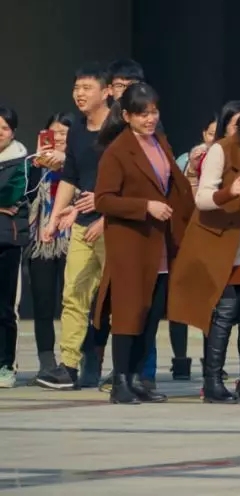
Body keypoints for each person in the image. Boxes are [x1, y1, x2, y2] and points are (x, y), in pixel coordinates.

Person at [170, 107, 240, 403]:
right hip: (219, 243)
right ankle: (212, 381)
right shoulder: (222, 151)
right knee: (224, 313)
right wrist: (229, 192)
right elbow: (203, 198)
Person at [92, 82, 194, 403]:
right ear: (126, 116)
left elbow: (174, 188)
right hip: (131, 244)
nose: (150, 119)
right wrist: (144, 206)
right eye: (142, 114)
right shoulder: (118, 151)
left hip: (160, 243)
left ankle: (138, 378)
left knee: (150, 315)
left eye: (153, 112)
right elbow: (103, 200)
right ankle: (120, 381)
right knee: (127, 313)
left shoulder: (159, 142)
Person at [36, 64, 112, 390]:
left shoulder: (121, 129)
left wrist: (107, 214)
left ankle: (124, 368)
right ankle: (68, 366)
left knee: (117, 299)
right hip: (80, 224)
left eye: (87, 87)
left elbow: (135, 181)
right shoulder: (78, 130)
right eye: (76, 87)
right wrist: (54, 219)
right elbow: (70, 175)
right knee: (73, 295)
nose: (80, 94)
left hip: (115, 225)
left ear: (107, 91)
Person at [26, 113, 74, 384]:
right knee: (43, 304)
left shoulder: (78, 164)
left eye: (65, 134)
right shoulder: (34, 165)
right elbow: (27, 195)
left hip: (73, 239)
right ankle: (47, 364)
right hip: (41, 242)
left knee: (75, 302)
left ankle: (74, 362)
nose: (58, 139)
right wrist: (36, 161)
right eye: (53, 133)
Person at [0, 106, 29, 388]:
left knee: (5, 308)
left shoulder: (22, 160)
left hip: (8, 241)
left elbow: (12, 192)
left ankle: (6, 365)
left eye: (4, 128)